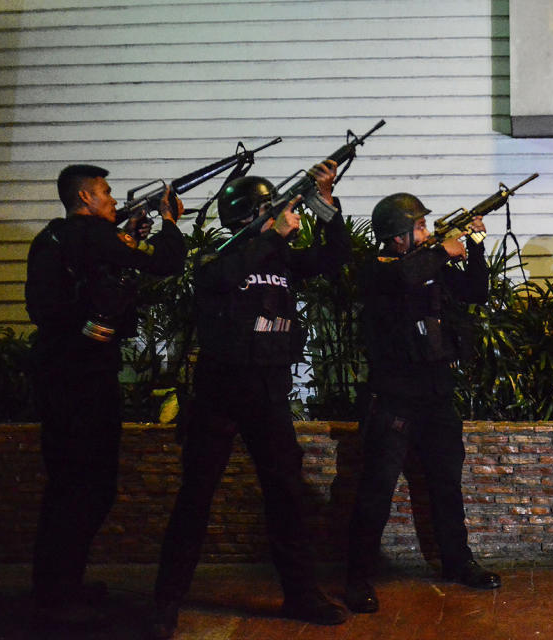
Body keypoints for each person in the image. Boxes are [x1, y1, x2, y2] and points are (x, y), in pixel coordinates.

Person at [151, 160, 351, 638]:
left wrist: (326, 204)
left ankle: (301, 592)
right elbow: (218, 280)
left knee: (286, 493)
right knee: (195, 496)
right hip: (220, 394)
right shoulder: (220, 256)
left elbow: (336, 255)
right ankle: (165, 601)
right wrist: (272, 236)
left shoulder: (279, 258)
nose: (281, 214)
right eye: (269, 209)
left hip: (267, 393)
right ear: (247, 216)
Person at [25, 164, 185, 627]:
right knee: (89, 485)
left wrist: (128, 236)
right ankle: (57, 597)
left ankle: (57, 585)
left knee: (67, 485)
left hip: (58, 374)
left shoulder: (54, 238)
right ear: (85, 198)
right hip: (84, 378)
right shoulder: (92, 236)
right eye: (107, 193)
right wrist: (170, 221)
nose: (114, 201)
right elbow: (167, 262)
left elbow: (100, 265)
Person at [343, 192, 501, 615]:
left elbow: (475, 292)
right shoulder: (379, 270)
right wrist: (443, 252)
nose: (427, 233)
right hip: (394, 396)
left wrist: (476, 247)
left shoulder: (431, 267)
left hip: (435, 393)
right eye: (419, 228)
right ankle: (356, 577)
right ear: (397, 238)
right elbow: (401, 280)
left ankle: (457, 560)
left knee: (446, 484)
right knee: (376, 490)